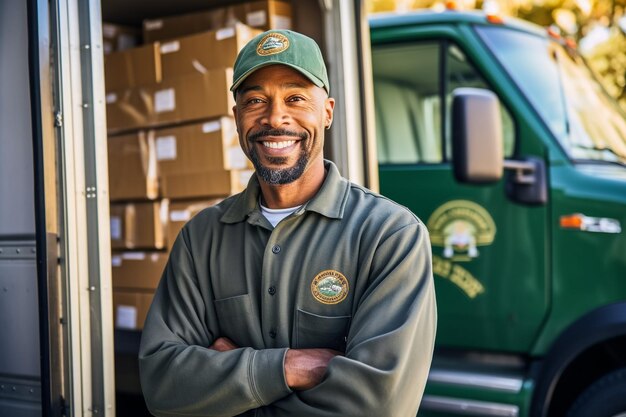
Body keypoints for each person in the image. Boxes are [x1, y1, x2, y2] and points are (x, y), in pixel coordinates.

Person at [139, 29, 437, 417]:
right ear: (236, 118)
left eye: (295, 98)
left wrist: (232, 384)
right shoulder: (202, 238)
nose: (274, 117)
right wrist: (291, 368)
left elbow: (377, 404)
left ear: (327, 112)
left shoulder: (390, 235)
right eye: (255, 100)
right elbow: (164, 384)